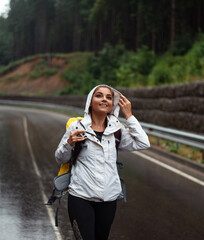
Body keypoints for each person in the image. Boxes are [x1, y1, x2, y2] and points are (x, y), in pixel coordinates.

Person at [55, 85, 150, 240]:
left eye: (109, 97)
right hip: (80, 197)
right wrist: (69, 143)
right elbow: (60, 158)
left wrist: (129, 116)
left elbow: (143, 143)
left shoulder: (117, 130)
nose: (104, 99)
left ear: (112, 104)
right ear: (90, 102)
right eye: (99, 95)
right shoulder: (77, 127)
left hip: (109, 199)